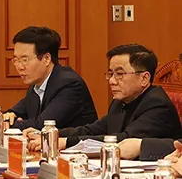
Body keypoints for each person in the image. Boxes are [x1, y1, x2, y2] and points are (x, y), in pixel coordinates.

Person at [28, 44, 182, 160]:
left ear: (144, 78)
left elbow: (124, 140)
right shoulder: (122, 101)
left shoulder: (157, 104)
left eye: (120, 74)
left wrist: (65, 142)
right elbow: (93, 129)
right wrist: (51, 134)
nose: (112, 81)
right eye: (110, 74)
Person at [1, 27, 97, 130]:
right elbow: (15, 112)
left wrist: (5, 124)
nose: (20, 67)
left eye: (25, 60)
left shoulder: (70, 85)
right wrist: (8, 117)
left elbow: (43, 125)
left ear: (46, 59)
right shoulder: (36, 85)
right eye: (16, 60)